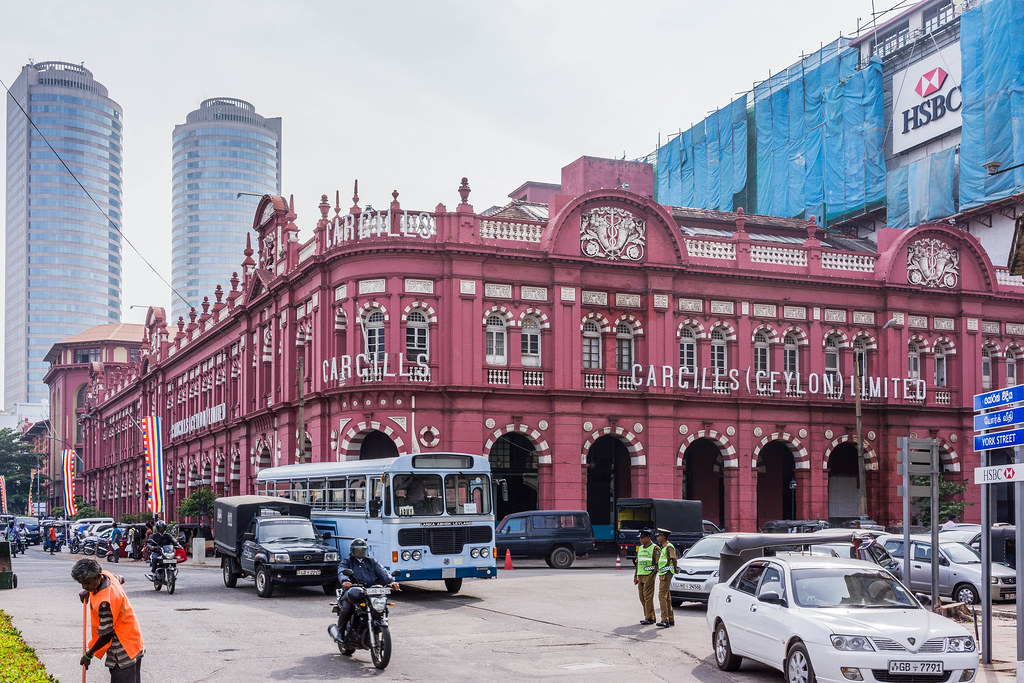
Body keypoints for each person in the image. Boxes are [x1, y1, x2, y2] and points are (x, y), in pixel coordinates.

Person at [72, 558, 143, 682]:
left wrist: (88, 655)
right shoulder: (108, 575)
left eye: (87, 583)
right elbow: (120, 578)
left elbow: (106, 634)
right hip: (134, 639)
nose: (84, 586)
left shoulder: (105, 603)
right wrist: (89, 590)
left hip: (122, 648)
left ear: (98, 577)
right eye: (81, 583)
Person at [332, 538, 401, 646]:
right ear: (353, 550)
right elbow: (342, 571)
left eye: (364, 549)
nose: (362, 551)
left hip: (370, 592)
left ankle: (376, 626)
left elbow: (382, 572)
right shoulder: (347, 561)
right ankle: (340, 632)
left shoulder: (372, 561)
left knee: (383, 606)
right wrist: (345, 580)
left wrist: (391, 581)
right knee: (348, 607)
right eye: (359, 549)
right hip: (352, 591)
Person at [633, 529, 658, 625]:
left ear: (648, 538)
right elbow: (638, 563)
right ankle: (650, 616)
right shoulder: (640, 548)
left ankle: (649, 618)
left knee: (648, 597)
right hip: (640, 575)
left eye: (642, 538)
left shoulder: (655, 548)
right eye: (640, 538)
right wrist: (635, 575)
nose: (640, 540)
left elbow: (657, 564)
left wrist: (652, 575)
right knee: (642, 597)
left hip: (649, 575)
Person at [654, 529, 678, 628]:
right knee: (667, 596)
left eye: (659, 536)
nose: (657, 538)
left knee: (662, 596)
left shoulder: (668, 547)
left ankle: (665, 620)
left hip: (666, 574)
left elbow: (674, 559)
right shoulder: (663, 547)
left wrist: (675, 569)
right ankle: (670, 619)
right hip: (664, 573)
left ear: (663, 537)